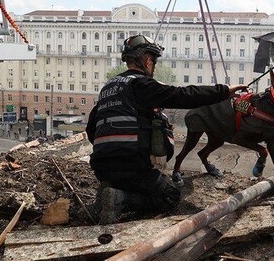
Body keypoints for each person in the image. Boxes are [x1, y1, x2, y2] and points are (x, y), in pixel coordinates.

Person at [86, 34, 247, 224]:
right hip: (131, 164)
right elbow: (182, 95)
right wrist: (224, 91)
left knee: (132, 180)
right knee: (170, 196)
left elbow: (91, 129)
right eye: (153, 61)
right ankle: (122, 199)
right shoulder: (141, 84)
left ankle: (110, 189)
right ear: (147, 61)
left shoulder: (108, 88)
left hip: (101, 166)